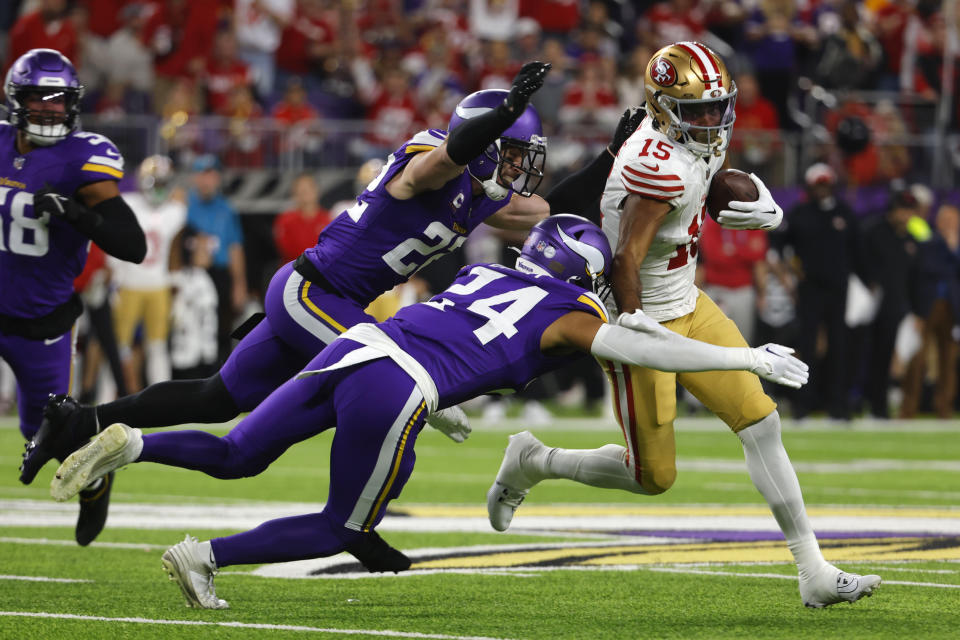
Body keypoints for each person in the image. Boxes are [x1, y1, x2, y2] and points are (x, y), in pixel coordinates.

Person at [50, 215, 814, 610]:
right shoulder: (573, 312)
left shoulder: (486, 270)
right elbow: (650, 352)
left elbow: (450, 336)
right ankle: (204, 557)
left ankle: (134, 443)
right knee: (342, 527)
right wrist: (745, 359)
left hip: (356, 351)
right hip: (398, 386)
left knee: (238, 450)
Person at [23, 63, 644, 537]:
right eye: (509, 153)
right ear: (483, 140)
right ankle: (357, 512)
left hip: (324, 300)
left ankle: (81, 421)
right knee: (400, 381)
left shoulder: (480, 193)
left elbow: (553, 209)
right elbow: (438, 166)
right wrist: (504, 111)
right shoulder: (430, 156)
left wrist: (612, 157)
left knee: (218, 398)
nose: (517, 169)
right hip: (314, 291)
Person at [486, 42, 881, 609]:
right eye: (695, 110)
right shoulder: (654, 163)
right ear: (661, 106)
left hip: (688, 301)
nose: (710, 120)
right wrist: (640, 332)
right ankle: (534, 460)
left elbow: (706, 190)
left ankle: (812, 568)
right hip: (641, 319)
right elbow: (626, 258)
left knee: (760, 422)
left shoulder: (696, 139)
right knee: (652, 476)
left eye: (716, 106)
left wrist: (739, 202)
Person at [3, 49, 146, 545]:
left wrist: (76, 214)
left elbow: (133, 245)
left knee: (46, 434)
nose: (47, 108)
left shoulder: (81, 158)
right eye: (36, 97)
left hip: (39, 320)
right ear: (14, 100)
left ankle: (96, 481)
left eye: (58, 99)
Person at [776, 163, 860, 420]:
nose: (822, 189)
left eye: (826, 184)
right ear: (811, 187)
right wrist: (792, 270)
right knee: (807, 346)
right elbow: (780, 245)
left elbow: (857, 250)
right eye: (818, 185)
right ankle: (803, 405)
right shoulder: (800, 214)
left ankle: (838, 406)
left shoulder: (845, 213)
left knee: (839, 346)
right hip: (810, 289)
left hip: (838, 289)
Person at [109, 155, 187, 392]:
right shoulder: (128, 203)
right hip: (129, 284)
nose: (161, 188)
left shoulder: (176, 210)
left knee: (158, 346)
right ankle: (107, 397)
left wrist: (178, 286)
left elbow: (174, 252)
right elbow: (112, 245)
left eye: (165, 182)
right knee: (116, 347)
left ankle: (161, 398)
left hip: (158, 285)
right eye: (157, 182)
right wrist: (114, 279)